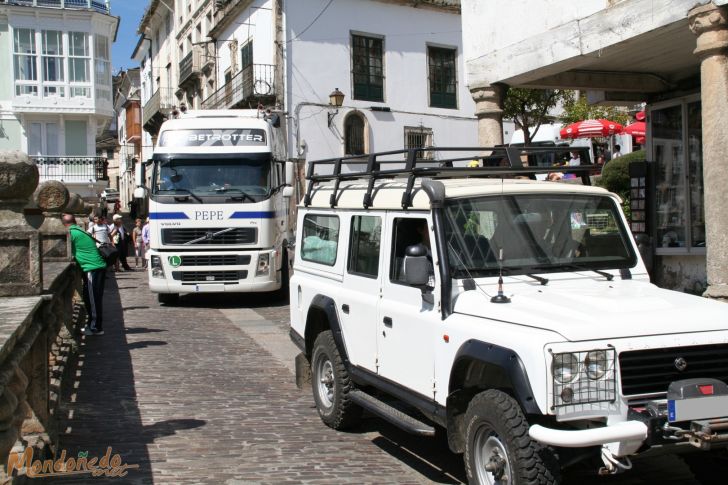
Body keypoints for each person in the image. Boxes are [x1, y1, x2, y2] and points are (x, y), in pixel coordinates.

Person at [63, 214, 106, 336]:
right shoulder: (79, 230)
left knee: (93, 300)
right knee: (90, 298)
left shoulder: (71, 233)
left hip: (92, 268)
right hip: (96, 267)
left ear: (64, 224)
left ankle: (95, 327)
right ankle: (94, 325)